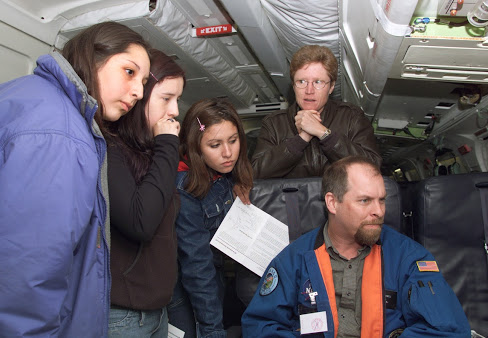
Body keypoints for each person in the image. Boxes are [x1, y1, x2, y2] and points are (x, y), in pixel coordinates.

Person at [0, 22, 150, 337]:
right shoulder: (61, 135)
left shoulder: (31, 97)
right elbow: (20, 288)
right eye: (129, 72)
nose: (139, 91)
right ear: (93, 58)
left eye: (142, 81)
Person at [242, 156, 470, 337]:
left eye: (381, 199)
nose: (379, 211)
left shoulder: (410, 258)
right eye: (365, 200)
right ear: (333, 203)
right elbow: (260, 326)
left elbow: (446, 329)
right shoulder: (294, 259)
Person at [106, 48, 185, 337]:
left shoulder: (151, 152)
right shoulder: (111, 148)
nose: (175, 111)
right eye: (166, 99)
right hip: (123, 313)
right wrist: (167, 144)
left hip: (157, 308)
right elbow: (141, 222)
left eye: (177, 100)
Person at [167, 98, 253, 338]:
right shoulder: (184, 188)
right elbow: (197, 266)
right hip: (187, 291)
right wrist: (212, 329)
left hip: (215, 279)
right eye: (215, 145)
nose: (228, 153)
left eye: (233, 141)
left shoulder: (225, 173)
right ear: (196, 148)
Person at [251, 45, 382, 179]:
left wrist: (324, 134)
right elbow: (256, 173)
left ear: (331, 87)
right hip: (292, 200)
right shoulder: (274, 124)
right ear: (293, 86)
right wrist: (301, 139)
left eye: (318, 82)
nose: (309, 90)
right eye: (301, 81)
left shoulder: (351, 117)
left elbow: (372, 167)